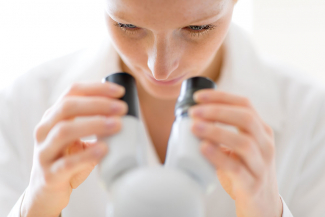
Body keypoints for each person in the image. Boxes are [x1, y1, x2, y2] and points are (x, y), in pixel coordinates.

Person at [1, 0, 325, 216]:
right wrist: (35, 209)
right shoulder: (22, 105)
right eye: (127, 25)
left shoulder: (310, 117)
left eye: (197, 28)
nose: (160, 68)